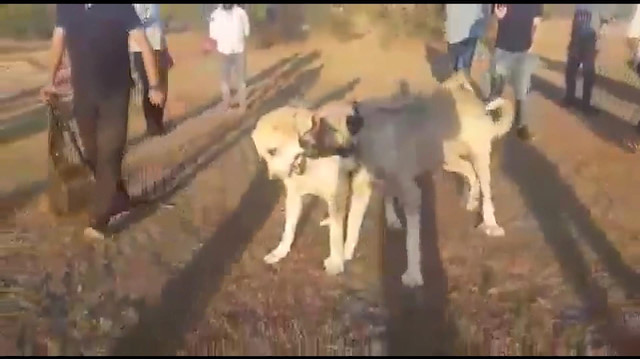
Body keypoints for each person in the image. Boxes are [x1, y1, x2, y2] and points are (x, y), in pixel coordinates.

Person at [41, 4, 166, 239]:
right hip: (84, 94)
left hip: (116, 94)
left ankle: (98, 219)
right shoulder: (66, 7)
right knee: (92, 153)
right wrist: (50, 80)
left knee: (111, 151)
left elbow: (145, 46)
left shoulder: (121, 7)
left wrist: (155, 85)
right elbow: (58, 43)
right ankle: (117, 196)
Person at [485, 4, 543, 142]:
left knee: (522, 90)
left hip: (523, 51)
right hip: (502, 49)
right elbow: (494, 14)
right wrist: (497, 15)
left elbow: (536, 22)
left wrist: (531, 43)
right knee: (496, 89)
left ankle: (521, 126)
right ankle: (490, 123)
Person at [563, 4, 615, 116]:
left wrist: (598, 41)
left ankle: (584, 103)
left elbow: (605, 23)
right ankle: (570, 98)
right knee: (571, 70)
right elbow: (575, 21)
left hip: (589, 40)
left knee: (587, 72)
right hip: (577, 39)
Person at [130, 3, 171, 136]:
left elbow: (158, 24)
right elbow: (135, 20)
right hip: (140, 46)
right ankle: (152, 125)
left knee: (162, 83)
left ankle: (159, 121)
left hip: (158, 43)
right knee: (149, 85)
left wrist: (165, 49)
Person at [209, 3, 251, 112]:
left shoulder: (241, 13)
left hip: (239, 50)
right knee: (225, 81)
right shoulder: (215, 15)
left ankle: (243, 105)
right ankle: (226, 104)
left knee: (241, 80)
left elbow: (247, 31)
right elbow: (213, 34)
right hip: (224, 51)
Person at [445, 4, 491, 81]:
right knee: (464, 62)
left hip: (458, 26)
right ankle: (460, 81)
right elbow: (486, 9)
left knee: (457, 60)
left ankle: (458, 80)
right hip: (471, 25)